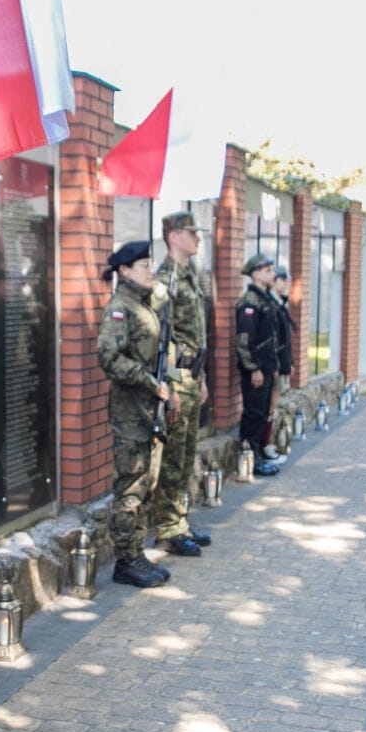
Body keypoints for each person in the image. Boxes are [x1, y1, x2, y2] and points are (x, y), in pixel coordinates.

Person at [97, 240, 174, 589]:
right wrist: (150, 383)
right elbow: (110, 359)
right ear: (125, 270)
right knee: (129, 486)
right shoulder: (120, 308)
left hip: (148, 410)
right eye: (144, 265)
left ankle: (136, 552)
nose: (150, 270)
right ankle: (126, 560)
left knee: (145, 484)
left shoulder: (144, 305)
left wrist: (164, 389)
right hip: (130, 412)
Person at [149, 212, 213, 557]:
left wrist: (202, 380)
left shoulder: (190, 277)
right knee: (172, 458)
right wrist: (171, 388)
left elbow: (195, 336)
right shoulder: (165, 281)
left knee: (185, 456)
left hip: (193, 377)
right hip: (178, 380)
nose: (198, 238)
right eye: (192, 232)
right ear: (174, 237)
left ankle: (179, 521)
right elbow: (161, 339)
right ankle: (168, 529)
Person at [235, 254, 285, 476]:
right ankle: (249, 458)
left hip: (266, 368)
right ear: (255, 274)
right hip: (255, 371)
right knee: (254, 415)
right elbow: (244, 341)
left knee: (262, 413)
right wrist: (253, 368)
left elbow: (270, 339)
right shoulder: (249, 302)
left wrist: (273, 367)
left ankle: (256, 455)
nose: (272, 274)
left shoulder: (265, 300)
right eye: (267, 271)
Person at [268, 264, 295, 462]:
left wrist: (289, 362)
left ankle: (270, 444)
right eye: (283, 279)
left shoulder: (279, 304)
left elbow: (286, 340)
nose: (286, 284)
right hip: (273, 366)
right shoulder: (271, 305)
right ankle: (266, 445)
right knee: (269, 408)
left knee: (274, 408)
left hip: (280, 365)